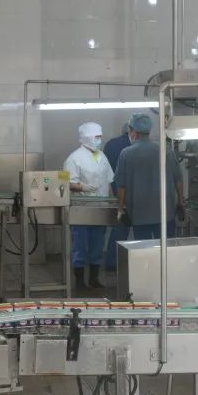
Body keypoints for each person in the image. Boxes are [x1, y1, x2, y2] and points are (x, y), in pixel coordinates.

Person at [114, 114, 184, 240]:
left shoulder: (126, 154)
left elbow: (121, 186)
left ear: (133, 131)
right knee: (166, 249)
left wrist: (120, 209)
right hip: (165, 214)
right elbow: (178, 180)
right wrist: (181, 202)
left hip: (140, 216)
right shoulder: (166, 151)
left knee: (144, 250)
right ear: (148, 130)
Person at [64, 122, 114, 290]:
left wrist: (110, 200)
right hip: (82, 208)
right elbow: (68, 183)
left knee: (97, 245)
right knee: (80, 246)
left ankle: (94, 278)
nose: (99, 140)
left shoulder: (102, 156)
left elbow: (108, 180)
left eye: (100, 137)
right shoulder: (74, 158)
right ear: (86, 138)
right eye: (96, 137)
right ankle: (79, 281)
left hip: (100, 208)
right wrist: (83, 187)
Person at [102, 117, 134, 270]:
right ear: (132, 131)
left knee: (119, 226)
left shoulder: (110, 144)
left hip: (114, 190)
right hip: (130, 192)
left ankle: (111, 261)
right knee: (133, 229)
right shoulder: (131, 147)